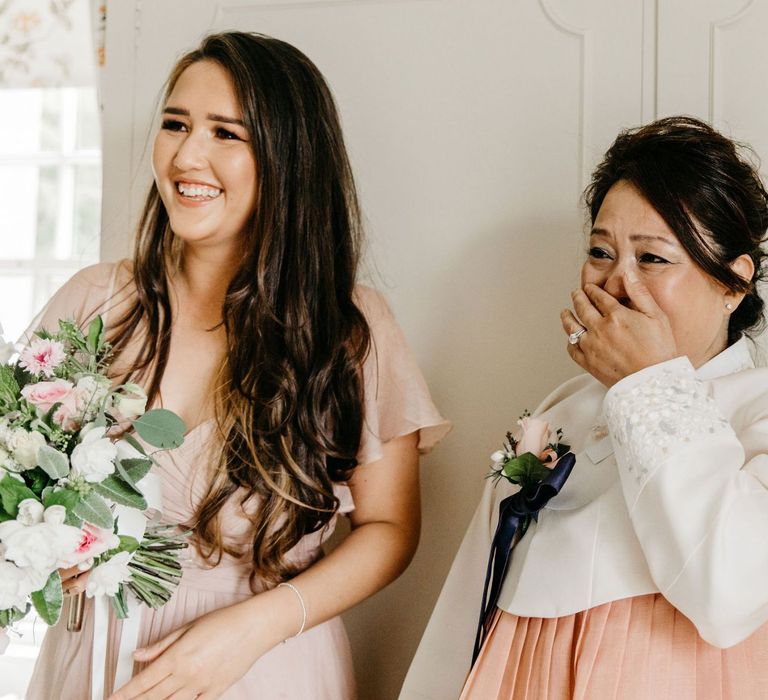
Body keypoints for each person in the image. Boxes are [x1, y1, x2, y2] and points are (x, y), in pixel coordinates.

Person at [23, 31, 449, 700]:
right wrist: (43, 548)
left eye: (227, 133)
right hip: (93, 656)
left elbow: (390, 529)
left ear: (288, 158)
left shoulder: (349, 331)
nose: (187, 155)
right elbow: (16, 478)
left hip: (265, 666)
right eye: (175, 124)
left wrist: (255, 628)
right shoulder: (93, 302)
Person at [400, 116, 768, 700]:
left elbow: (727, 593)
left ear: (733, 283)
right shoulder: (565, 406)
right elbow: (476, 587)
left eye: (652, 258)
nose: (616, 283)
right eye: (601, 251)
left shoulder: (761, 407)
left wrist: (648, 381)